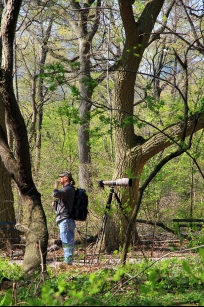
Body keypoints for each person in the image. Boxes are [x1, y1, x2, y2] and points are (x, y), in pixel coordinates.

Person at [52, 171, 76, 265]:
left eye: (61, 177)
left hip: (66, 219)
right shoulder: (67, 190)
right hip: (65, 219)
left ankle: (68, 262)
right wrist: (56, 205)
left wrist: (55, 185)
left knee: (66, 240)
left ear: (66, 178)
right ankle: (68, 260)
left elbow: (55, 194)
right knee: (67, 239)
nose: (60, 179)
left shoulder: (68, 189)